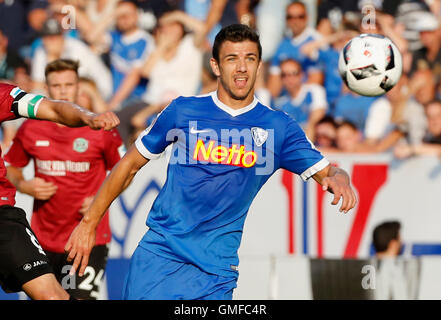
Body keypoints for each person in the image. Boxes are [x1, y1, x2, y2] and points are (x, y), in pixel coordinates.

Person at [65, 24, 357, 300]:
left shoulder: (277, 127)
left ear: (259, 65)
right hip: (160, 257)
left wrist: (340, 177)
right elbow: (129, 166)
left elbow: (329, 170)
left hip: (215, 272)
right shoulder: (182, 111)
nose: (242, 67)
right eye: (232, 58)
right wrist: (89, 223)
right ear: (216, 66)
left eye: (250, 58)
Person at [4, 59, 124, 300]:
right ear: (47, 89)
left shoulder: (99, 128)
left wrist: (101, 198)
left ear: (79, 87)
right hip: (44, 237)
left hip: (85, 235)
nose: (63, 91)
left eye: (69, 84)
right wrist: (25, 185)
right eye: (56, 86)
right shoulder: (30, 129)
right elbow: (13, 169)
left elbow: (124, 171)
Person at [267, 1, 323, 98]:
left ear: (307, 17)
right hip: (285, 101)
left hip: (308, 101)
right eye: (290, 17)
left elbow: (316, 80)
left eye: (300, 16)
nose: (295, 21)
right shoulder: (282, 45)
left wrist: (295, 103)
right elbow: (274, 84)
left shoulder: (317, 41)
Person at [272, 58, 327, 141]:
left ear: (302, 74)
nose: (289, 78)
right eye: (284, 75)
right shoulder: (280, 103)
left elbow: (314, 122)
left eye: (294, 73)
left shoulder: (314, 91)